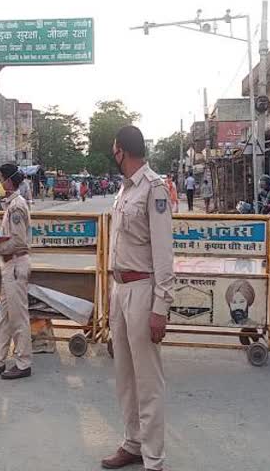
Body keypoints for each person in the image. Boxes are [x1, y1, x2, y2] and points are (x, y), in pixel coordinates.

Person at [102, 125, 174, 471]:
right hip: (121, 289)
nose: (114, 156)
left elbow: (163, 254)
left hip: (144, 291)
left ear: (122, 152)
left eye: (114, 151)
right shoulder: (124, 191)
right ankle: (132, 443)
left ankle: (154, 458)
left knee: (147, 379)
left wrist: (161, 307)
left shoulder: (153, 189)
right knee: (125, 376)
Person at [0, 163, 33, 380]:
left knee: (18, 317)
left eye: (0, 179)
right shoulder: (10, 204)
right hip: (9, 265)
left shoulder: (16, 207)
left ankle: (23, 362)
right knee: (5, 316)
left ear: (9, 181)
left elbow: (17, 241)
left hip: (16, 264)